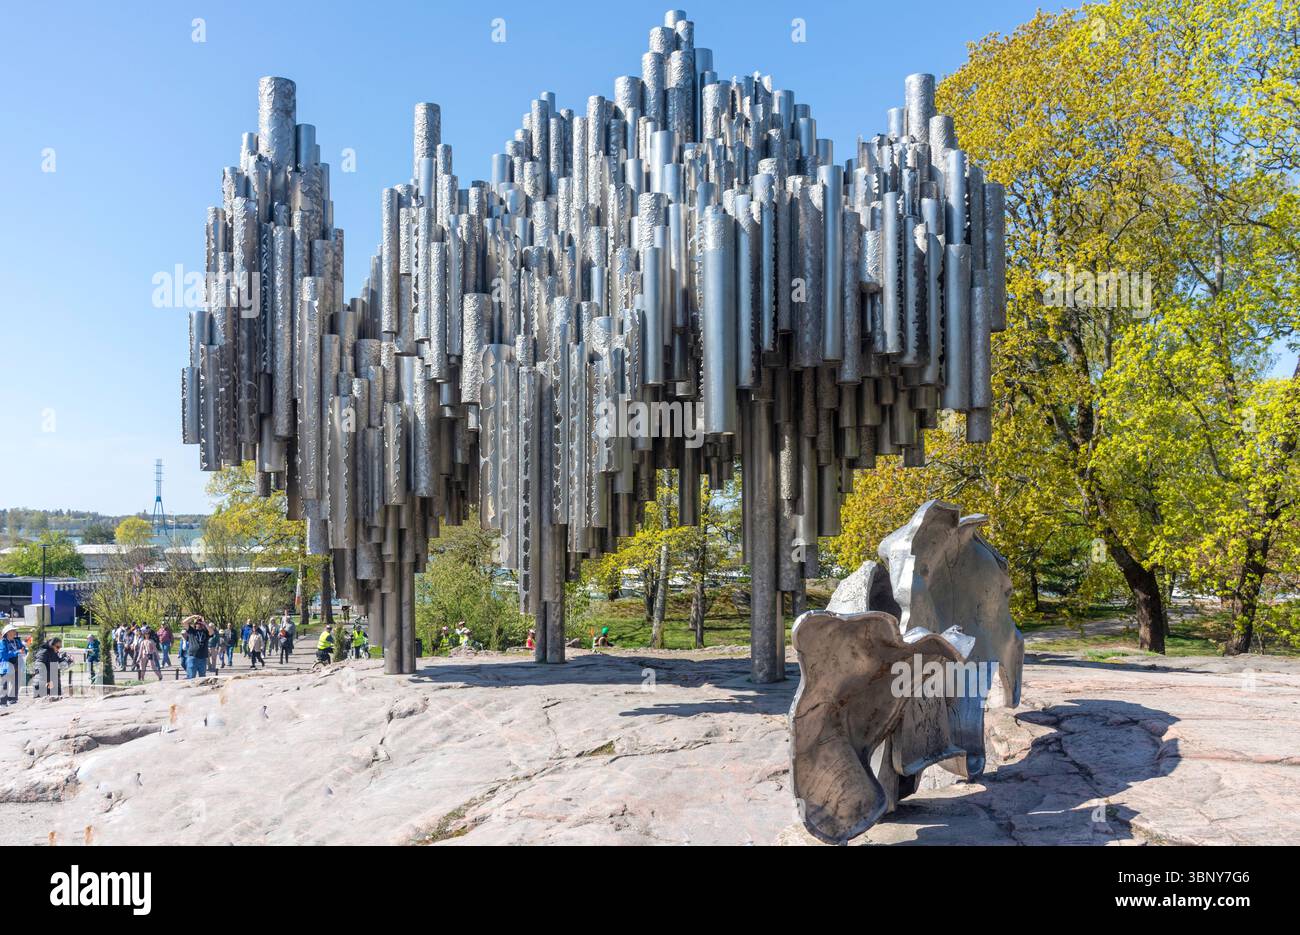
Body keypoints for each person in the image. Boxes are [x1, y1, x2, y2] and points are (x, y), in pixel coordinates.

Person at [0, 622, 23, 705]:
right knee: (4, 683)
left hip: (16, 664)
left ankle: (12, 699)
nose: (15, 632)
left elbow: (23, 649)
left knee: (16, 682)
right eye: (13, 631)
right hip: (5, 665)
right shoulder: (3, 642)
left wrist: (24, 651)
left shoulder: (17, 641)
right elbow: (4, 655)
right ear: (8, 632)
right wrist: (16, 652)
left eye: (14, 631)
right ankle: (2, 702)